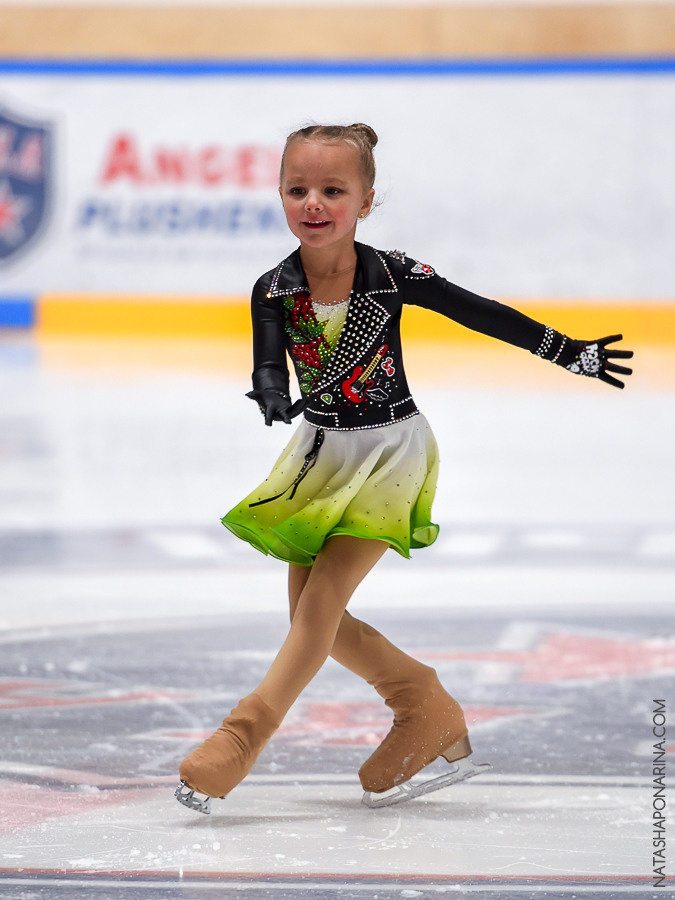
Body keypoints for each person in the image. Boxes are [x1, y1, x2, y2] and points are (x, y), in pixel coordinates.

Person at [175, 123, 633, 814]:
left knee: (319, 606)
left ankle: (240, 737)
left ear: (364, 200)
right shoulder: (273, 288)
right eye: (298, 189)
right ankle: (423, 705)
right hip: (320, 455)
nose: (314, 203)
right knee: (309, 616)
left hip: (390, 452)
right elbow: (268, 355)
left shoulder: (392, 275)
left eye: (333, 189)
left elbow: (478, 312)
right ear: (278, 194)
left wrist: (566, 350)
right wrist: (270, 389)